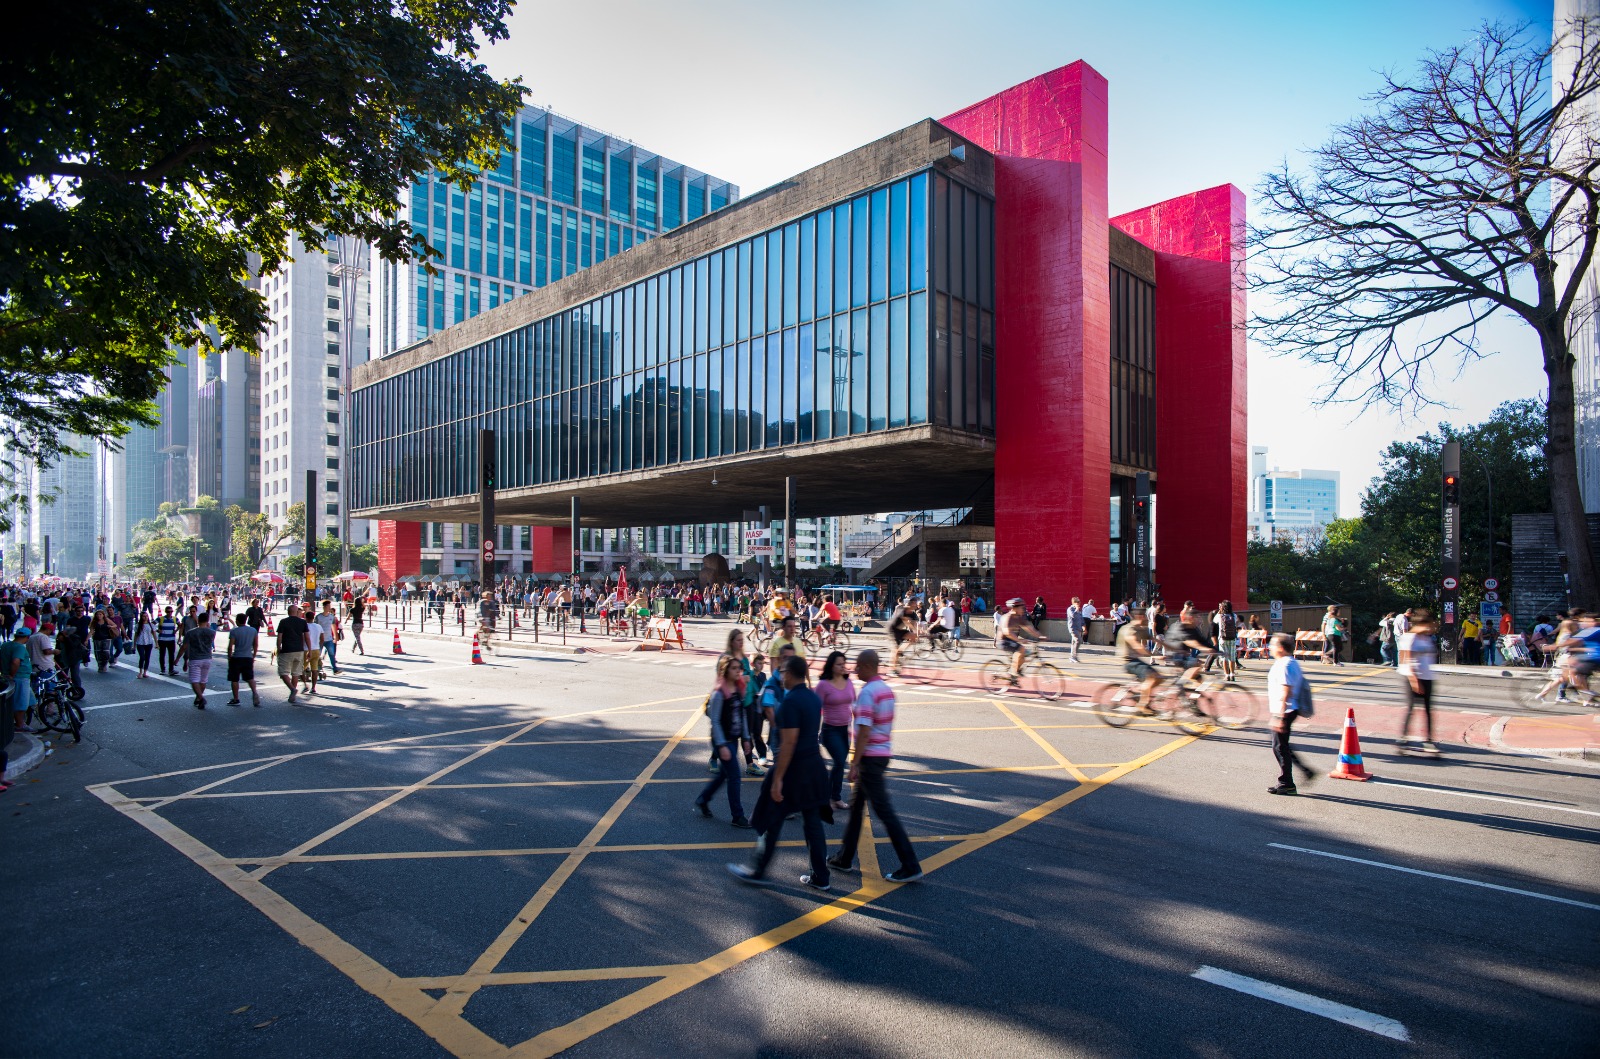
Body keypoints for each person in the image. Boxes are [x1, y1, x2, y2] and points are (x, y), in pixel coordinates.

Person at [728, 654, 834, 892]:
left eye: (783, 672)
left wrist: (776, 780)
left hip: (794, 770)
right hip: (815, 767)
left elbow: (788, 744)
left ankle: (758, 870)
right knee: (812, 823)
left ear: (791, 674)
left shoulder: (790, 702)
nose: (780, 675)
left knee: (771, 819)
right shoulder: (812, 698)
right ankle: (821, 875)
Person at [827, 648, 922, 882]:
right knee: (857, 809)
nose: (855, 670)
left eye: (858, 666)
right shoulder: (886, 691)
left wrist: (855, 763)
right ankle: (844, 858)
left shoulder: (869, 692)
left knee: (884, 811)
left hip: (869, 758)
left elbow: (865, 732)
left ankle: (910, 865)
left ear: (868, 666)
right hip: (881, 754)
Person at [694, 656, 751, 828]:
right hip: (722, 740)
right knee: (734, 775)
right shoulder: (719, 693)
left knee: (724, 774)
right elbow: (716, 721)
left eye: (738, 669)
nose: (737, 671)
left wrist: (746, 738)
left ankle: (703, 799)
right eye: (733, 668)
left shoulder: (738, 688)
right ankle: (737, 816)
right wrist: (721, 745)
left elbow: (742, 716)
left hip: (733, 738)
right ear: (726, 671)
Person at [1266, 633, 1315, 795]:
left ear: (1280, 648)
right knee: (1281, 745)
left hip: (1285, 710)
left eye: (1272, 644)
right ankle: (1305, 771)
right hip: (1286, 710)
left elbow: (1287, 691)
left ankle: (1287, 783)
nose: (1269, 647)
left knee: (1279, 747)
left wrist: (1279, 716)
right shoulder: (1289, 662)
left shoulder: (1285, 665)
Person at [816, 651, 856, 810]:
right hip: (830, 729)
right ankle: (826, 798)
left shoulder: (849, 682)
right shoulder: (823, 685)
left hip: (845, 729)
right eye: (839, 664)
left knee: (840, 764)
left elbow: (855, 704)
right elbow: (815, 708)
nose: (842, 667)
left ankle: (836, 798)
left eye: (843, 664)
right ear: (831, 666)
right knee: (839, 761)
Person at [1397, 609, 1440, 754]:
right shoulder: (1409, 638)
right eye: (1428, 625)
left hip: (1427, 677)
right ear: (1421, 624)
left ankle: (1428, 740)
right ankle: (1403, 738)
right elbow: (1407, 661)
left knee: (1428, 710)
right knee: (1412, 709)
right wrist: (1415, 682)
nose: (1430, 628)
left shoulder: (1426, 638)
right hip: (1413, 678)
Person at [1116, 609, 1163, 710]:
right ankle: (1143, 706)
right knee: (1153, 676)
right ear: (1140, 617)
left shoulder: (1141, 629)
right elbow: (1137, 646)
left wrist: (1173, 649)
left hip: (1135, 660)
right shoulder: (1130, 629)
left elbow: (1154, 639)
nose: (1147, 618)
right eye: (1145, 616)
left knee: (1158, 678)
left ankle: (1141, 695)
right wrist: (1156, 656)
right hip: (1129, 661)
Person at [995, 597, 1044, 684]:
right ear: (1015, 608)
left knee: (1024, 654)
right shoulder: (1008, 617)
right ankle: (1013, 673)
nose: (1023, 609)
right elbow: (1007, 632)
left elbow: (1029, 628)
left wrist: (1040, 636)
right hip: (1002, 641)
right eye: (1021, 607)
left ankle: (1014, 674)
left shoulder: (1019, 617)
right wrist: (1020, 640)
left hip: (1011, 640)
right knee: (1021, 648)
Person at [273, 604, 310, 704]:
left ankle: (292, 689)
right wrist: (309, 650)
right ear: (296, 612)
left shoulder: (283, 622)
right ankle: (292, 693)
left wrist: (278, 647)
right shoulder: (302, 622)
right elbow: (307, 637)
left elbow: (279, 636)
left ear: (288, 612)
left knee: (283, 672)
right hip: (299, 650)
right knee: (296, 673)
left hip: (287, 649)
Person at [226, 612, 261, 706]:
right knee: (250, 677)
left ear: (237, 621)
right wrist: (254, 655)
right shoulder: (253, 630)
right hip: (248, 656)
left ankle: (236, 698)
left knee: (234, 679)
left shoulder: (234, 631)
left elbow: (230, 646)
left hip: (237, 657)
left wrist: (229, 657)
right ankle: (254, 692)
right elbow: (256, 644)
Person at [4, 627, 35, 734]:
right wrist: (12, 674)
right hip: (20, 677)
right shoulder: (19, 648)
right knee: (21, 702)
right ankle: (20, 724)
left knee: (18, 700)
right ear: (27, 637)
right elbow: (16, 661)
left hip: (9, 676)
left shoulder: (5, 645)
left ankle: (18, 722)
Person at [183, 611, 216, 709]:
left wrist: (178, 659)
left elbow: (184, 647)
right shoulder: (212, 632)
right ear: (207, 621)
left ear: (198, 620)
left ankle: (201, 698)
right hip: (207, 657)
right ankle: (198, 698)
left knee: (194, 680)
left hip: (195, 658)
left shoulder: (191, 632)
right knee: (203, 679)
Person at [1211, 600, 1241, 683]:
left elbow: (1214, 621)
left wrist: (1220, 611)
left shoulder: (1219, 616)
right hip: (1232, 639)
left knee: (1225, 658)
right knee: (1232, 657)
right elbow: (1236, 622)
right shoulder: (1234, 615)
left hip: (1223, 639)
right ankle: (1232, 674)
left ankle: (1226, 675)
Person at [132, 613, 155, 678]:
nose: (145, 618)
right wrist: (134, 645)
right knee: (142, 657)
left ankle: (145, 672)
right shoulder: (138, 625)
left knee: (147, 657)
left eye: (146, 616)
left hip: (149, 643)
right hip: (140, 643)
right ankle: (140, 672)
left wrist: (156, 643)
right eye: (143, 616)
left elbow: (154, 634)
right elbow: (136, 635)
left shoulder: (151, 625)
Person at [1065, 596, 1087, 664]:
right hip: (1073, 628)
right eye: (1077, 602)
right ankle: (1073, 657)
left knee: (1074, 643)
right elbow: (1073, 615)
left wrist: (1084, 627)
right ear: (1074, 602)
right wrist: (1076, 609)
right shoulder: (1070, 609)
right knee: (1079, 640)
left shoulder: (1079, 611)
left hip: (1079, 628)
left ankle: (1073, 657)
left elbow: (1081, 619)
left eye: (1079, 602)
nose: (1079, 603)